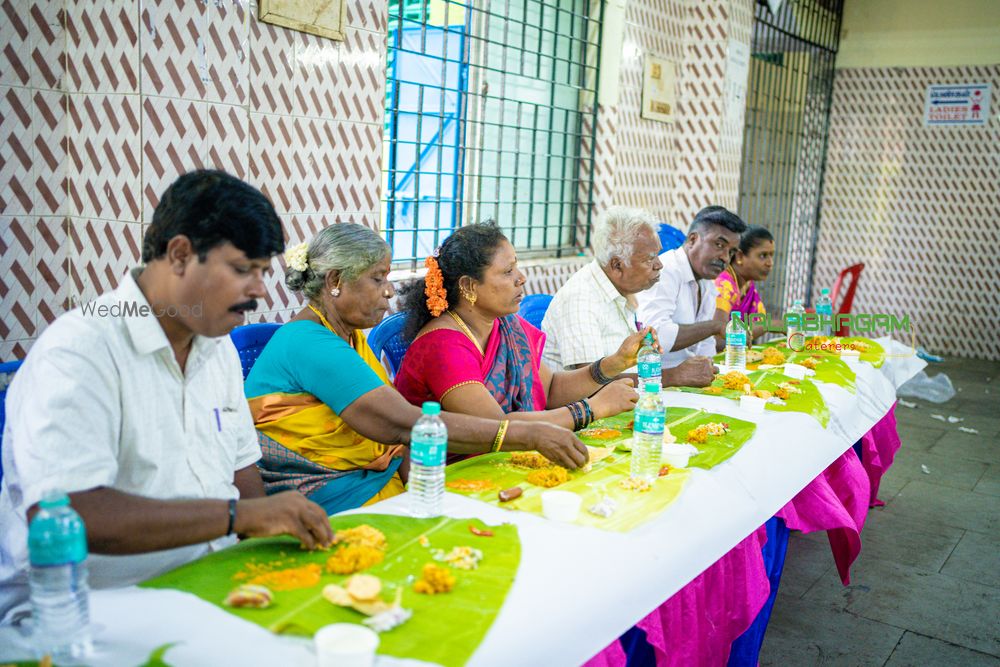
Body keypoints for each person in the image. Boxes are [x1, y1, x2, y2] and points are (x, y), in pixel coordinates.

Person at [0, 170, 334, 624]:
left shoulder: (217, 350)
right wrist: (239, 518)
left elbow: (242, 472)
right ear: (179, 254)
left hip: (208, 582)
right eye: (242, 269)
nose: (259, 290)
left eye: (262, 272)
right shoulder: (79, 352)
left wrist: (262, 557)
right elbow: (71, 516)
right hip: (91, 609)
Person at [246, 224, 589, 514]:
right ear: (335, 280)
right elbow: (402, 423)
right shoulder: (309, 343)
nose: (389, 290)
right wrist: (526, 433)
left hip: (379, 479)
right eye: (378, 278)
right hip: (330, 496)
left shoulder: (346, 338)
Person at [393, 223, 642, 431]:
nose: (521, 278)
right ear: (468, 286)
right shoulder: (443, 345)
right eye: (508, 271)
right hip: (445, 469)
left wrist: (613, 364)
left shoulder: (506, 324)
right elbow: (496, 427)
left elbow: (551, 389)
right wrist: (592, 409)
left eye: (517, 266)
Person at [542, 206, 716, 388]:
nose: (659, 265)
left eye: (657, 255)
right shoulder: (581, 299)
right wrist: (673, 376)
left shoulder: (621, 290)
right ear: (617, 265)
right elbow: (591, 384)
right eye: (649, 259)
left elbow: (622, 368)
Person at [636, 205, 746, 369]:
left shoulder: (707, 281)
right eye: (719, 245)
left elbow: (705, 347)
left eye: (731, 252)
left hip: (688, 383)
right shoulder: (665, 270)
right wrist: (714, 326)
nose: (725, 257)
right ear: (693, 240)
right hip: (653, 381)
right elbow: (655, 337)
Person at [713, 225, 774, 342]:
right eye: (763, 256)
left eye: (771, 256)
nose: (770, 263)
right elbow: (717, 339)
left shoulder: (747, 285)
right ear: (740, 256)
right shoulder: (724, 284)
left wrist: (770, 325)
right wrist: (771, 325)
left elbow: (758, 323)